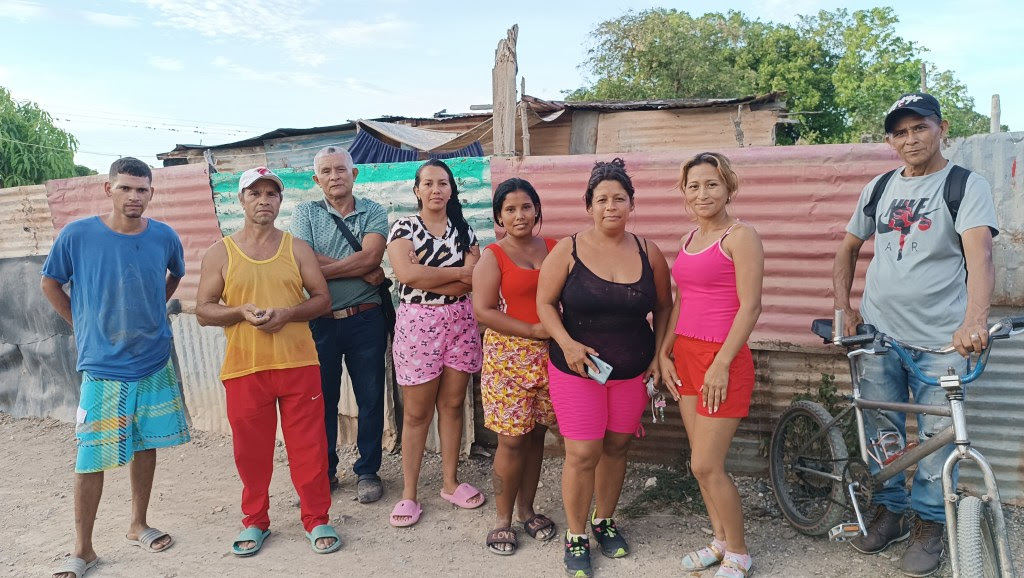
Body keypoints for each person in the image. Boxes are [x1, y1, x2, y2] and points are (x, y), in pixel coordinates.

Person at [833, 92, 998, 577]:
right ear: (890, 140)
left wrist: (975, 319)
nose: (910, 139)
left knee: (936, 439)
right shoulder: (880, 187)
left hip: (942, 342)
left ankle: (929, 522)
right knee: (881, 432)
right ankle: (890, 511)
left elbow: (982, 254)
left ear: (941, 128)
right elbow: (847, 248)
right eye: (900, 132)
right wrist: (843, 307)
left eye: (919, 128)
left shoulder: (966, 185)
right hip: (879, 336)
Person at [41, 157, 191, 578]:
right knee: (91, 456)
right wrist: (81, 324)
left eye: (142, 189)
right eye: (125, 188)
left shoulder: (164, 236)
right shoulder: (78, 235)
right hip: (103, 365)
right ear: (108, 189)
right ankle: (83, 548)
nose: (134, 196)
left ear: (151, 193)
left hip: (153, 358)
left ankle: (137, 523)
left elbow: (175, 274)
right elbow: (50, 282)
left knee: (144, 443)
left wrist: (154, 312)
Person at [196, 166, 342, 557]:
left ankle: (316, 518)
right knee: (251, 451)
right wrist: (240, 312)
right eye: (254, 193)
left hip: (298, 365)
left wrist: (288, 314)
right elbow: (204, 311)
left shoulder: (296, 248)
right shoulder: (220, 253)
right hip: (245, 368)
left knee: (309, 446)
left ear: (280, 201)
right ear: (240, 200)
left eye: (271, 194)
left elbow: (322, 299)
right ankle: (255, 521)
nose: (264, 200)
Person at [537, 158, 672, 577]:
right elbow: (544, 304)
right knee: (582, 452)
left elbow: (666, 306)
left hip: (632, 372)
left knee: (616, 447)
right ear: (589, 206)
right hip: (577, 370)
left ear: (631, 204)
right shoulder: (568, 249)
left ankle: (604, 521)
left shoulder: (649, 252)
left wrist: (659, 355)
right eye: (601, 199)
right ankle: (576, 534)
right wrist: (568, 344)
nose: (611, 206)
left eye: (619, 198)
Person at [658, 152, 763, 578]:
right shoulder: (688, 240)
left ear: (728, 188)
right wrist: (664, 352)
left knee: (706, 464)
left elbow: (751, 307)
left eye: (711, 184)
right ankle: (719, 541)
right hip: (686, 355)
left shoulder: (741, 237)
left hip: (724, 359)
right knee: (697, 461)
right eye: (694, 186)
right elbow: (682, 300)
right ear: (683, 192)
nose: (702, 193)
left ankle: (739, 551)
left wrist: (721, 363)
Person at [385, 159, 485, 527]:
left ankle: (449, 482)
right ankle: (409, 494)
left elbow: (474, 281)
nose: (436, 189)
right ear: (417, 190)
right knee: (416, 413)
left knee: (454, 404)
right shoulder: (404, 228)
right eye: (428, 183)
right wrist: (459, 272)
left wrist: (435, 277)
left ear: (451, 189)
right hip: (418, 326)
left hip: (460, 321)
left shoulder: (464, 229)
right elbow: (407, 274)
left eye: (443, 183)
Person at [290, 146, 389, 503]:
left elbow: (373, 256)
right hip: (321, 322)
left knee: (371, 397)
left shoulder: (374, 210)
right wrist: (359, 267)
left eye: (341, 170)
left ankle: (367, 470)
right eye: (327, 171)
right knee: (321, 400)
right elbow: (302, 263)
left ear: (354, 174)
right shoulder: (305, 213)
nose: (335, 176)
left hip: (366, 318)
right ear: (316, 179)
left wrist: (322, 269)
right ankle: (325, 470)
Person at [473, 178, 558, 556]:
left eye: (526, 207)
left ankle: (528, 509)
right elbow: (483, 311)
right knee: (511, 439)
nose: (519, 215)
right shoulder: (493, 255)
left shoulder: (557, 249)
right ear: (499, 217)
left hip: (551, 357)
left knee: (538, 435)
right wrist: (532, 330)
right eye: (510, 209)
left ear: (537, 210)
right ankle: (502, 519)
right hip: (508, 357)